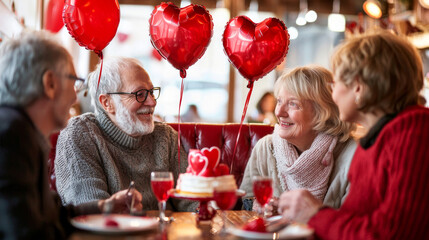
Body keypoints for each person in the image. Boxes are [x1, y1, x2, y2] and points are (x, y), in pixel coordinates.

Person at [278, 31, 429, 239]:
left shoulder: (415, 135)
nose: (333, 94)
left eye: (336, 83)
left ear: (357, 88)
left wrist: (316, 214)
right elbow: (350, 225)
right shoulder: (375, 141)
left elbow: (391, 234)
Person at [0, 30, 142, 239]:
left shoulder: (21, 131)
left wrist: (105, 206)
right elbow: (24, 233)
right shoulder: (11, 137)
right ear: (50, 83)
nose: (76, 97)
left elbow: (51, 215)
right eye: (74, 81)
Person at [55, 57, 195, 212]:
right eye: (140, 94)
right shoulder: (79, 134)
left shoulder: (166, 136)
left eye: (151, 92)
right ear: (107, 103)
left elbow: (193, 201)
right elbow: (93, 213)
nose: (152, 102)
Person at [240, 66, 357, 212]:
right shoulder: (265, 147)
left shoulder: (353, 155)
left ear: (322, 112)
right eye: (279, 101)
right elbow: (245, 203)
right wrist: (257, 206)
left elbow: (355, 225)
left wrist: (315, 215)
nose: (279, 112)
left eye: (293, 104)